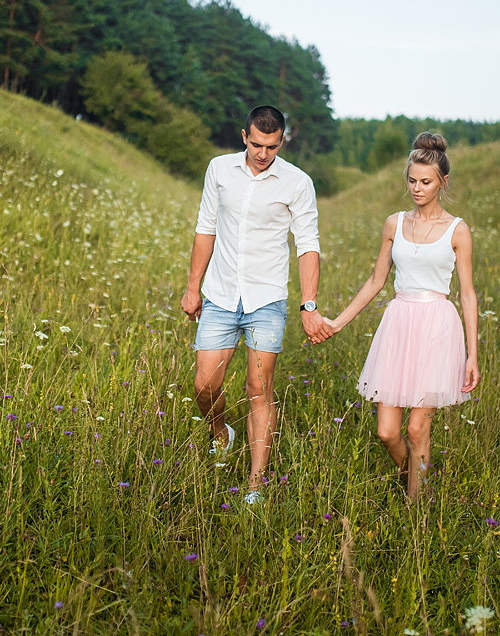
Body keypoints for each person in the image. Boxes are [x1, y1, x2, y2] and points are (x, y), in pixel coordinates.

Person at [181, 105, 334, 505]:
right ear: (244, 135)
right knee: (204, 385)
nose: (264, 153)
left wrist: (309, 304)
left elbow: (308, 245)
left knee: (258, 390)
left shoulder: (298, 183)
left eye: (272, 146)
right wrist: (192, 287)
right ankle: (221, 434)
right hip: (219, 293)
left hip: (266, 299)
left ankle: (254, 486)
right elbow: (205, 228)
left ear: (282, 141)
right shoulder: (219, 170)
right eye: (257, 144)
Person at [323, 132, 480, 500]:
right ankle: (418, 477)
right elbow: (377, 280)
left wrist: (473, 354)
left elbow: (468, 294)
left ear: (442, 181)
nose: (417, 188)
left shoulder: (458, 230)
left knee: (416, 430)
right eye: (411, 180)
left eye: (425, 182)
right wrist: (337, 322)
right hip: (398, 324)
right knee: (387, 432)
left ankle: (416, 507)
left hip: (438, 326)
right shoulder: (394, 223)